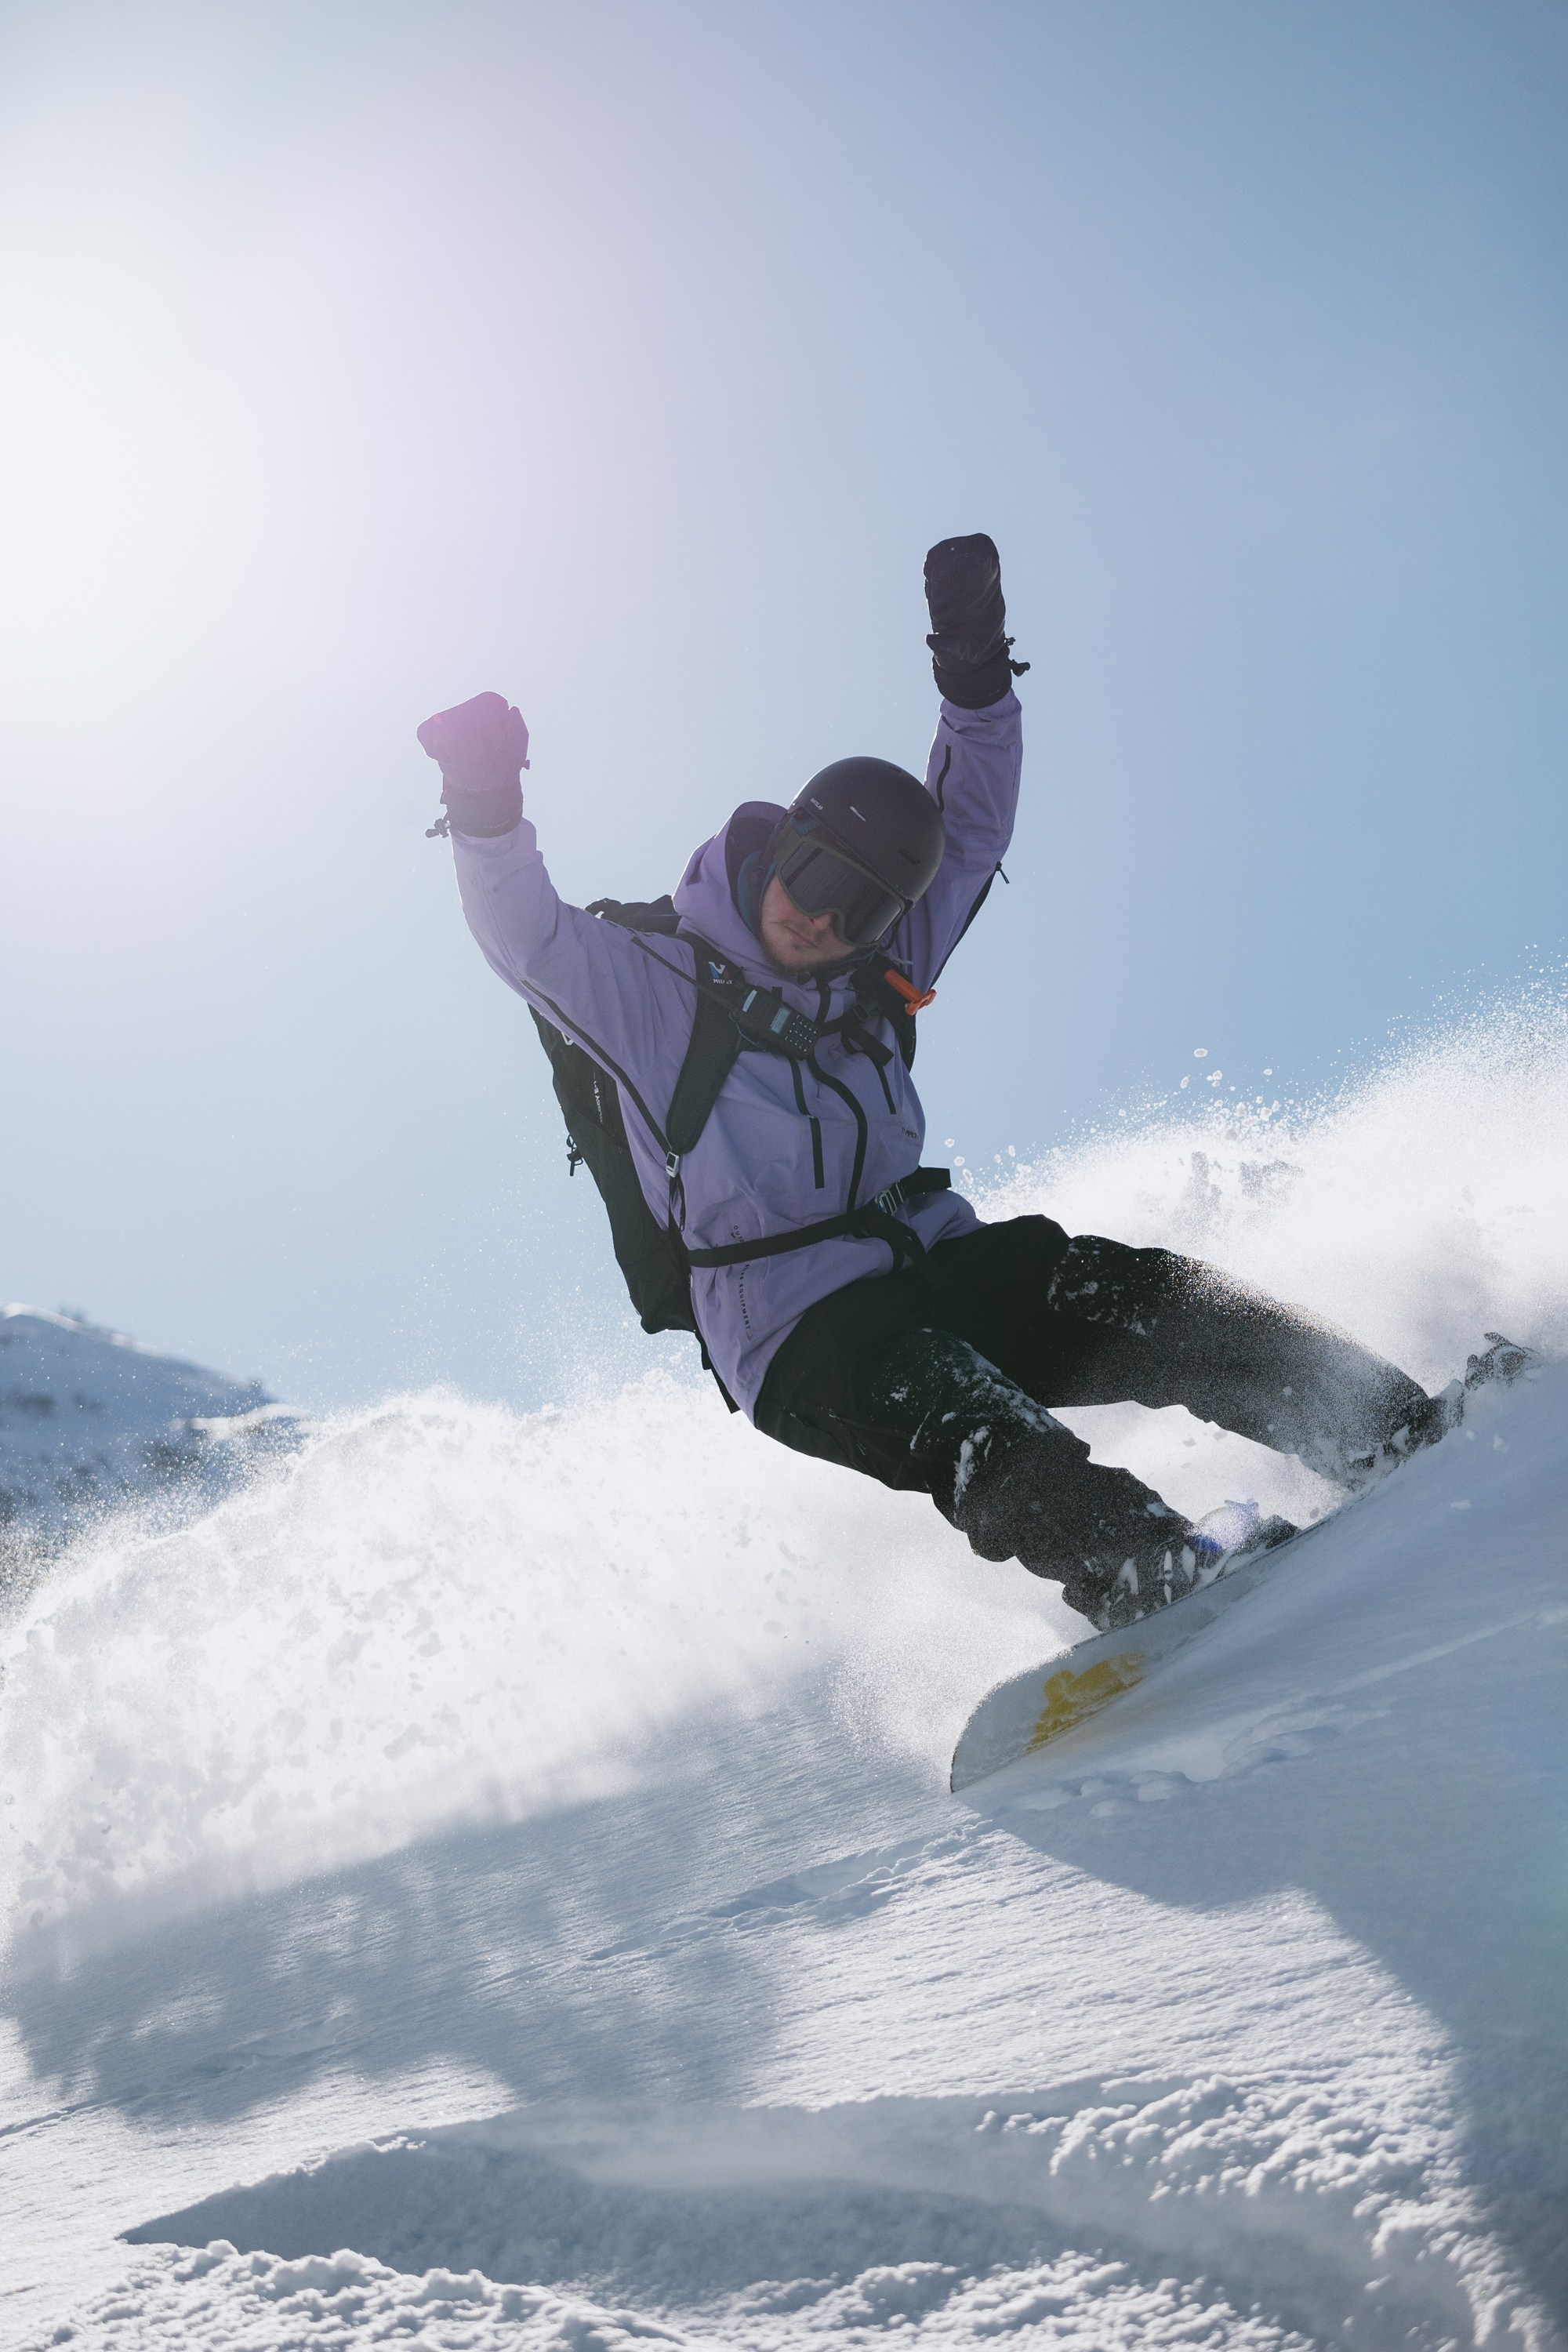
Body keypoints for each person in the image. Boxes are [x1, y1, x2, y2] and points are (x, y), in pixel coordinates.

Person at [419, 534, 1490, 1632]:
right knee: (965, 1413)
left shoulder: (872, 970)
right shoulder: (651, 990)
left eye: (860, 909)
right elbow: (526, 938)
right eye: (814, 878)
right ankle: (1147, 1568)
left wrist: (973, 669)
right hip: (797, 1331)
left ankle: (1385, 1426)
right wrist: (485, 801)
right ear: (780, 848)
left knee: (1144, 1296)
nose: (822, 919)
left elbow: (970, 824)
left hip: (932, 1257)